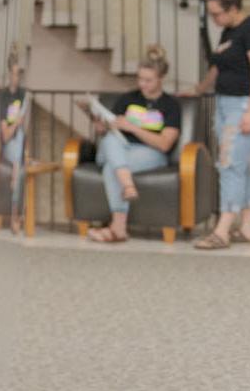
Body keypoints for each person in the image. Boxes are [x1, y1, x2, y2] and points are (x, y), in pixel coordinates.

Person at [183, 0, 250, 250]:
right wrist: (199, 90)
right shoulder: (228, 32)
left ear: (233, 8)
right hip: (225, 105)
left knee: (229, 164)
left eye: (216, 13)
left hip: (246, 105)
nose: (213, 19)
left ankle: (222, 229)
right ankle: (247, 226)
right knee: (239, 164)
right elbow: (218, 66)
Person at [76, 45, 181, 244]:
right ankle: (127, 185)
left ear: (161, 78)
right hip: (117, 147)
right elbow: (111, 129)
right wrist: (101, 125)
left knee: (111, 168)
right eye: (140, 78)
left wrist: (134, 128)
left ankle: (118, 228)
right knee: (110, 140)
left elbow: (165, 144)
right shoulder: (127, 99)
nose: (142, 84)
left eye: (148, 80)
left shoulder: (170, 106)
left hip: (150, 152)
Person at [0, 50, 30, 235]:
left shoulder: (23, 96)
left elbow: (26, 131)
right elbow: (5, 136)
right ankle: (15, 215)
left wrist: (23, 123)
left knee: (20, 154)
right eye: (13, 73)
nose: (15, 78)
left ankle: (16, 213)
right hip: (10, 144)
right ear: (9, 74)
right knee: (17, 153)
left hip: (21, 143)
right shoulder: (4, 98)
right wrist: (16, 123)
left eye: (19, 74)